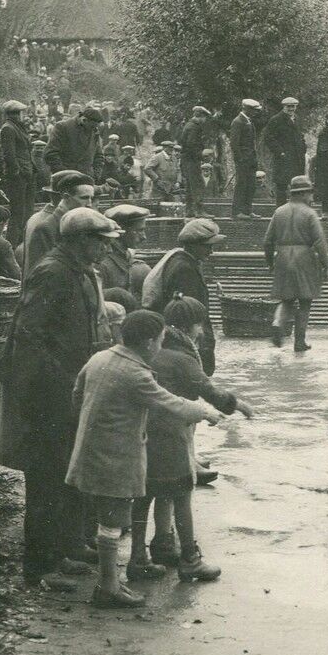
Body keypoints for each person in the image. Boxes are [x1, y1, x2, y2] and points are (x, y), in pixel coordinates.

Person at [66, 308, 222, 607]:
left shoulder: (99, 358)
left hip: (90, 449)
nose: (161, 346)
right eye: (161, 340)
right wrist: (206, 411)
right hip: (115, 455)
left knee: (107, 518)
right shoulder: (135, 373)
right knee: (112, 521)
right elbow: (170, 403)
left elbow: (76, 395)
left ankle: (111, 580)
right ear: (150, 342)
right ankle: (108, 587)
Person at [3, 207, 118, 590]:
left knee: (69, 474)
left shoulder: (78, 272)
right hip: (50, 396)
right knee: (46, 480)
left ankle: (66, 547)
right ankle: (40, 565)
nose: (105, 248)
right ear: (79, 240)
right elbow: (29, 336)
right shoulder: (53, 273)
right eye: (100, 241)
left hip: (71, 391)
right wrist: (49, 390)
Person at [140, 298, 255, 583]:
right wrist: (237, 403)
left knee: (151, 491)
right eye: (200, 324)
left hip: (143, 432)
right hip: (173, 433)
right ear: (190, 326)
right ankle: (190, 558)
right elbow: (207, 389)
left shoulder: (152, 351)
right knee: (181, 490)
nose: (202, 331)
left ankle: (155, 547)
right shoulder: (182, 358)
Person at [139, 217, 223, 374]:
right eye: (207, 247)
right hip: (186, 339)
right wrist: (200, 346)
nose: (211, 252)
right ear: (193, 245)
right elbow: (186, 313)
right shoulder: (185, 269)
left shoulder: (181, 260)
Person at [264, 175, 328, 351]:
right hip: (304, 258)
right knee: (305, 301)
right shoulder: (309, 214)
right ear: (302, 194)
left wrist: (270, 262)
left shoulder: (279, 212)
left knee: (286, 300)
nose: (312, 198)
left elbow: (267, 241)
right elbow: (320, 242)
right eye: (310, 194)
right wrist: (326, 265)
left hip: (283, 257)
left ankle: (277, 323)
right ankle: (299, 342)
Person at [21, 170, 94, 276]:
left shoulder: (40, 218)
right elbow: (40, 272)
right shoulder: (46, 226)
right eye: (84, 198)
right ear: (65, 197)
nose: (89, 204)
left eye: (91, 198)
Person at [0, 99, 36, 245]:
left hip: (27, 174)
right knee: (18, 214)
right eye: (21, 112)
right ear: (15, 114)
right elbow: (9, 156)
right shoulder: (8, 128)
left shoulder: (17, 127)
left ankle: (23, 243)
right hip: (19, 177)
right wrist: (17, 173)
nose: (24, 115)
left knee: (27, 212)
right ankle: (13, 245)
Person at [259, 96, 306, 201]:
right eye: (289, 106)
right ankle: (281, 212)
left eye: (293, 106)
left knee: (297, 185)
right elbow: (268, 138)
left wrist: (303, 147)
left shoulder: (297, 119)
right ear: (284, 107)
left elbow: (301, 136)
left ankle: (296, 211)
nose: (291, 109)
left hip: (297, 158)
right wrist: (280, 152)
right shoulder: (276, 120)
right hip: (283, 159)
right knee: (281, 185)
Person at [97, 203, 150, 293]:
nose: (144, 237)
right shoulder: (102, 263)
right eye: (139, 230)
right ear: (121, 231)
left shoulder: (127, 257)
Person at [46, 105, 103, 177]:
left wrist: (96, 174)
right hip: (65, 178)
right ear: (84, 120)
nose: (94, 129)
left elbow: (99, 156)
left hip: (87, 178)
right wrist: (63, 172)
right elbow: (51, 153)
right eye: (92, 126)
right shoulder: (63, 127)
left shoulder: (94, 131)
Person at [230, 99, 262, 218]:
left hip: (250, 160)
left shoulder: (248, 121)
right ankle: (237, 212)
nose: (255, 113)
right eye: (253, 110)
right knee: (241, 184)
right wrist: (240, 159)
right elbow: (234, 143)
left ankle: (247, 210)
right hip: (243, 160)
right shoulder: (238, 122)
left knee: (250, 185)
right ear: (246, 109)